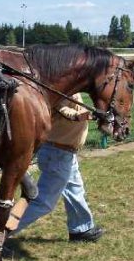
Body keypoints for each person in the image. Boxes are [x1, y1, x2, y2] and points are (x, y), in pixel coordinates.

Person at [10, 93, 104, 242]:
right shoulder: (61, 90)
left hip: (64, 153)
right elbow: (65, 111)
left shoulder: (72, 88)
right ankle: (2, 231)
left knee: (75, 190)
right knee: (43, 201)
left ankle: (81, 229)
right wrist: (89, 115)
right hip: (57, 154)